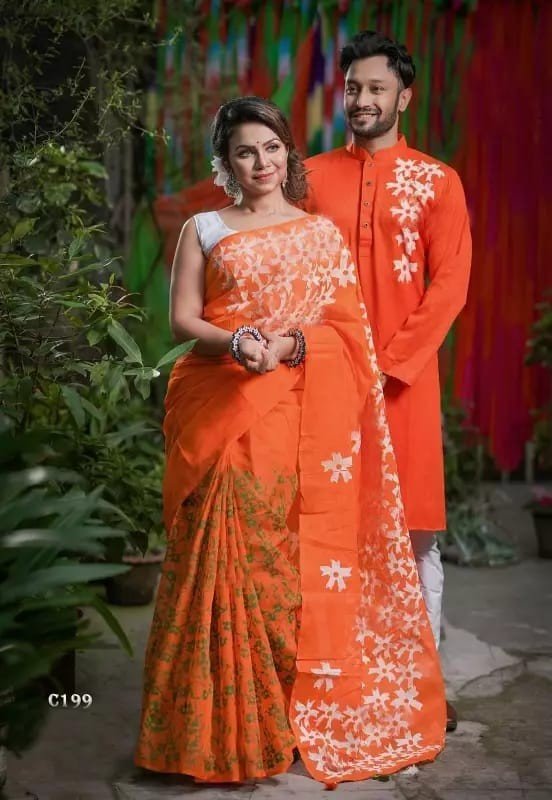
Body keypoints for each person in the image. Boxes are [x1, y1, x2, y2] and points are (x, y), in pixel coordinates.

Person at [135, 96, 446, 786]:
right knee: (220, 558)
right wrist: (238, 341)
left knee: (278, 564)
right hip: (218, 405)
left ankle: (278, 717)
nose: (262, 163)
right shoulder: (203, 228)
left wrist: (291, 344)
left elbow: (346, 333)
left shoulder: (318, 235)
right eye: (245, 151)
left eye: (272, 148)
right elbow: (184, 319)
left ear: (287, 153)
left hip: (297, 418)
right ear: (225, 161)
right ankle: (208, 736)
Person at [303, 31, 472, 733]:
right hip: (320, 384)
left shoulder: (437, 181)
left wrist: (389, 363)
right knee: (326, 533)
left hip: (402, 386)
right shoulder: (306, 178)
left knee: (414, 536)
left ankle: (421, 686)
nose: (362, 99)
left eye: (376, 88)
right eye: (353, 88)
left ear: (404, 96)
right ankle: (333, 682)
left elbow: (450, 284)